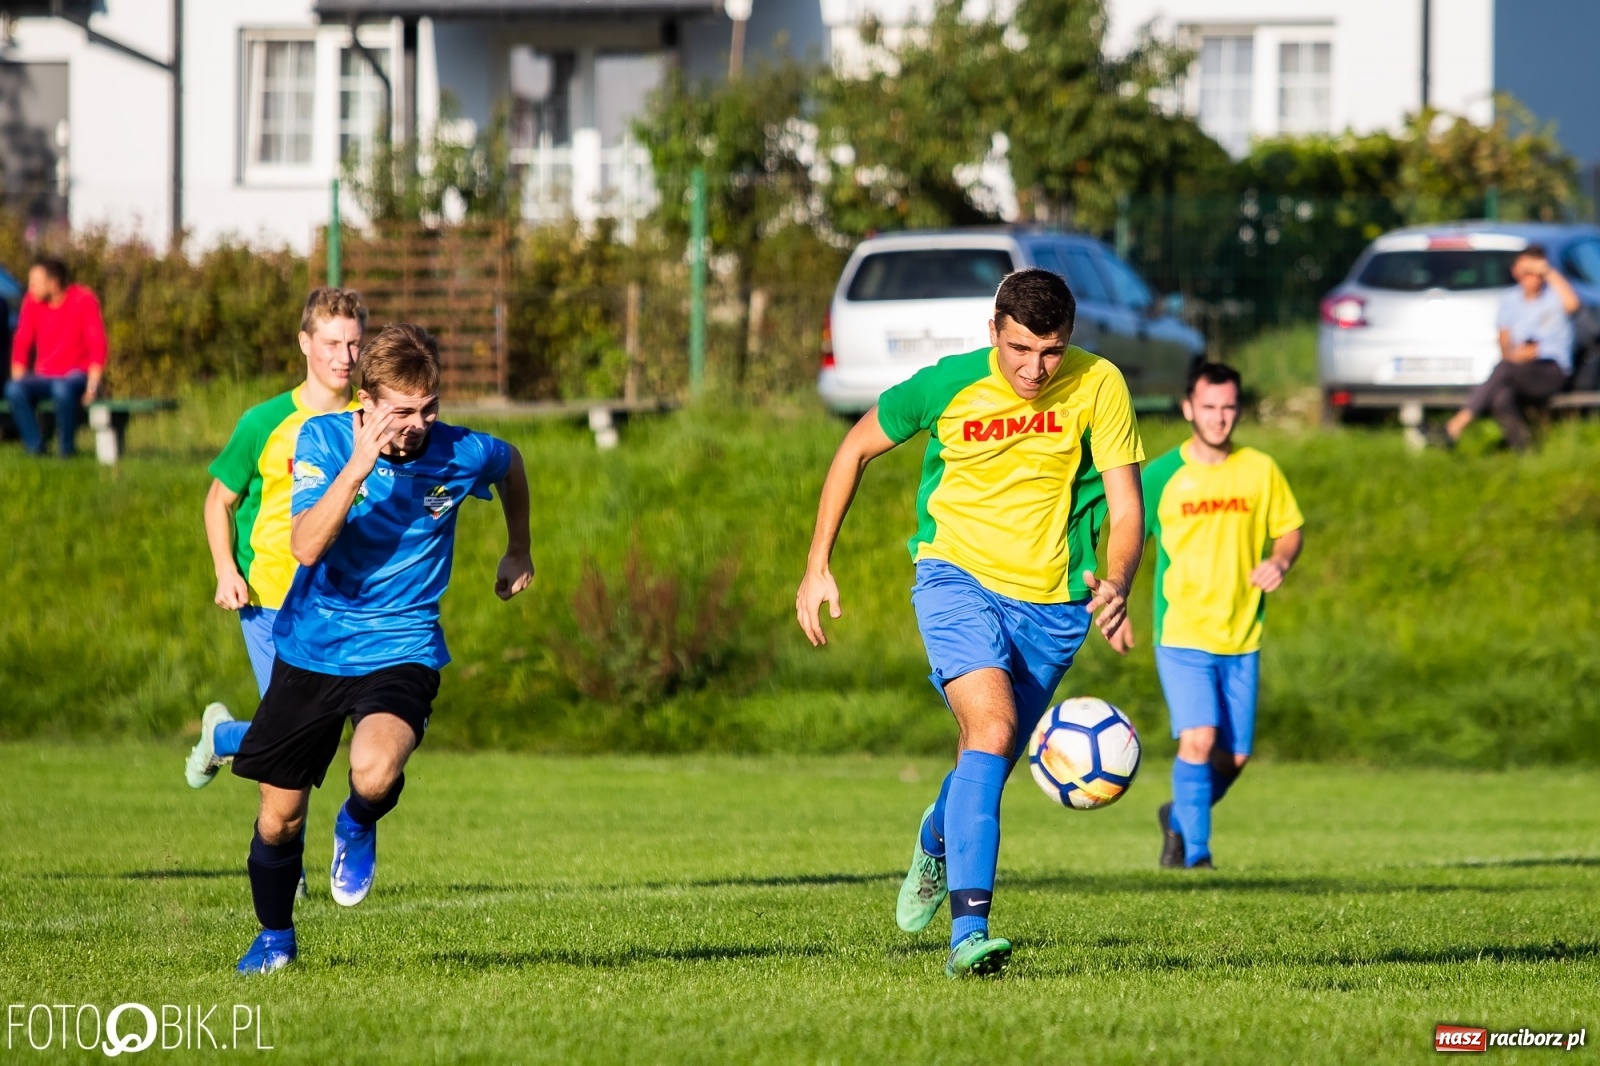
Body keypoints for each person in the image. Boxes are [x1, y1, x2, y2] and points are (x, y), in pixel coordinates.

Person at [795, 268, 1145, 978]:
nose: (1034, 368)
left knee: (991, 760)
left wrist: (1119, 580)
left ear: (1068, 339)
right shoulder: (949, 383)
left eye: (1050, 352)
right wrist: (816, 563)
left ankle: (936, 835)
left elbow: (1127, 504)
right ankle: (969, 936)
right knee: (991, 730)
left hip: (1052, 606)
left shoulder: (1100, 383)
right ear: (994, 331)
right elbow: (854, 448)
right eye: (1019, 349)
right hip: (955, 578)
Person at [230, 324, 533, 974]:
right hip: (313, 647)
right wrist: (359, 466)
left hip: (404, 645)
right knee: (279, 820)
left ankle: (358, 821)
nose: (418, 424)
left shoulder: (461, 452)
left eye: (429, 407)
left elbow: (511, 465)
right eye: (402, 410)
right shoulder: (323, 440)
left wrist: (519, 548)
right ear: (365, 402)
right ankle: (275, 937)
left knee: (375, 772)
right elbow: (306, 546)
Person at [1109, 362, 1303, 870]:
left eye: (1228, 407)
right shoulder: (1162, 475)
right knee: (1198, 737)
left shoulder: (1260, 469)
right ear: (1189, 407)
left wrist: (1280, 559)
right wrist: (1119, 601)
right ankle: (1196, 856)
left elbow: (1289, 530)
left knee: (1233, 758)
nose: (1219, 418)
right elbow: (1126, 537)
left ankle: (1178, 816)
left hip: (1242, 633)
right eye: (1209, 407)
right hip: (1182, 631)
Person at [184, 288, 368, 791]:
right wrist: (226, 570)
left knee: (311, 738)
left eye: (354, 344)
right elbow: (217, 500)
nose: (344, 357)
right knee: (292, 749)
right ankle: (289, 873)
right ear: (304, 343)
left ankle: (223, 737)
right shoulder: (263, 422)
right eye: (331, 343)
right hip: (270, 598)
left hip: (341, 604)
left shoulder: (371, 422)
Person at [1445, 244, 1579, 451]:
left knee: (1504, 370)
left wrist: (1547, 270)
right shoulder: (1510, 299)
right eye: (1526, 272)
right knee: (1501, 395)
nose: (1531, 278)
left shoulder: (1554, 296)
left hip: (1552, 369)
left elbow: (1572, 305)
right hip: (1520, 368)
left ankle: (1457, 424)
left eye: (1536, 273)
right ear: (1517, 272)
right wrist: (1516, 355)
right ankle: (1523, 451)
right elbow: (1504, 340)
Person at [4, 255, 107, 457]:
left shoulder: (83, 300)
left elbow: (98, 345)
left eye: (35, 283)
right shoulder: (32, 303)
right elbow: (22, 343)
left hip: (77, 375)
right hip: (45, 375)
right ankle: (35, 447)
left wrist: (93, 387)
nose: (30, 287)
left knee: (63, 389)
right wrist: (20, 380)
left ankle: (66, 450)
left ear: (53, 283)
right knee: (13, 389)